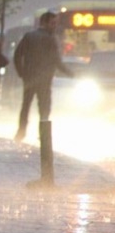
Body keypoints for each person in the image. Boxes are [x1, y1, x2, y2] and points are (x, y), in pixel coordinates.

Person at [13, 11, 74, 142]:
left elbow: (17, 55)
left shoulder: (29, 36)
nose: (55, 26)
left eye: (56, 23)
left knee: (26, 105)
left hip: (29, 77)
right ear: (44, 23)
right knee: (44, 107)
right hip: (45, 79)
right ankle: (44, 135)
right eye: (53, 23)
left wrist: (21, 72)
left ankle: (21, 132)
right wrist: (70, 73)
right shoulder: (51, 39)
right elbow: (57, 61)